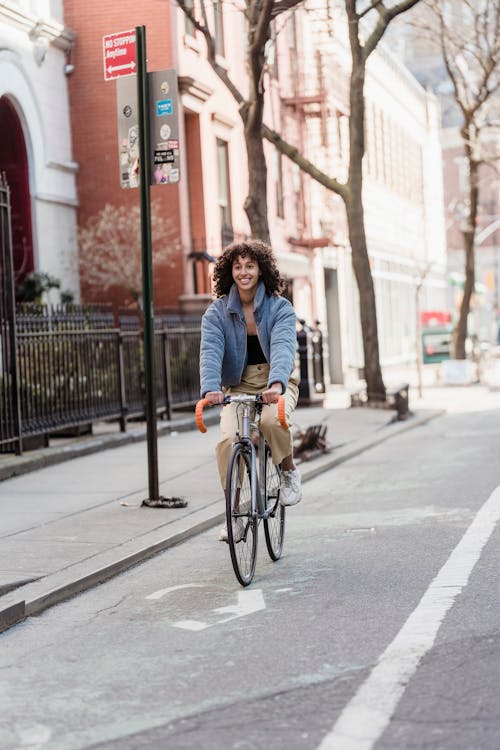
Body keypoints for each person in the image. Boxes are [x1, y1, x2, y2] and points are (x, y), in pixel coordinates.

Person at [200, 239, 302, 542]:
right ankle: (234, 513)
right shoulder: (217, 312)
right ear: (229, 272)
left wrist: (277, 383)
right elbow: (210, 350)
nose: (243, 272)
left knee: (272, 421)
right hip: (239, 384)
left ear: (261, 270)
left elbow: (284, 347)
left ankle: (288, 471)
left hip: (276, 382)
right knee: (229, 441)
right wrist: (210, 389)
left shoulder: (279, 308)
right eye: (237, 266)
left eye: (250, 266)